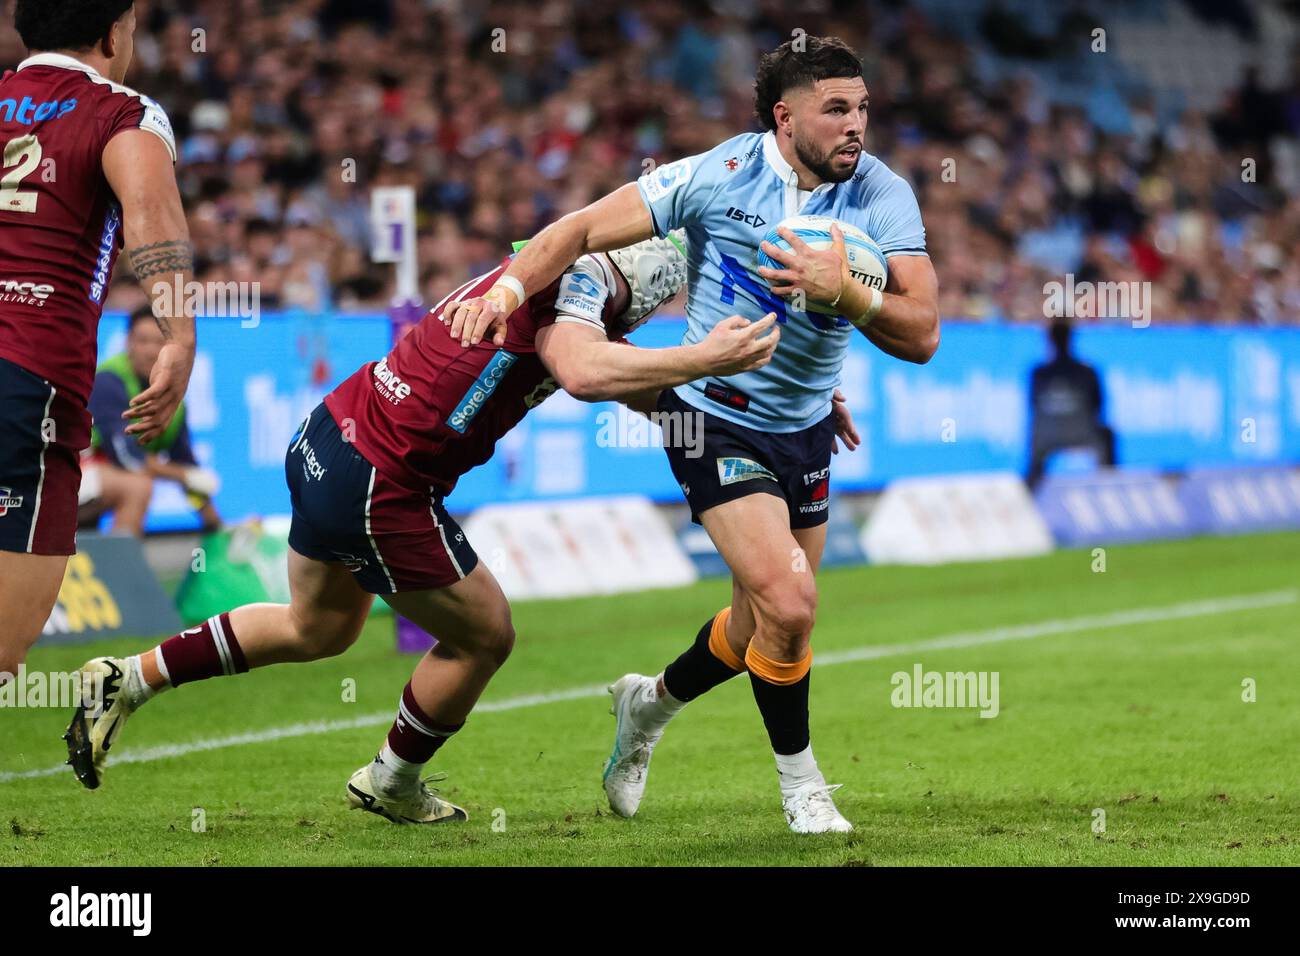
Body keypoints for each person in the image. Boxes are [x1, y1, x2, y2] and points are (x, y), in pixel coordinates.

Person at [67, 234, 807, 828]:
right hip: (381, 484)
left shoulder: (533, 269)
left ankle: (127, 680)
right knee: (486, 635)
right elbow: (586, 372)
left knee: (315, 629)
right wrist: (711, 357)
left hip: (329, 432)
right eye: (640, 305)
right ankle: (394, 779)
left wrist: (725, 414)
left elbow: (634, 384)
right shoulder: (566, 314)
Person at [445, 35, 940, 833]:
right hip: (710, 413)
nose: (857, 127)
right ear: (785, 118)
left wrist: (843, 291)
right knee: (790, 601)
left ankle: (647, 705)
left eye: (864, 110)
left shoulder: (884, 194)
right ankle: (803, 786)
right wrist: (509, 287)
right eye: (837, 110)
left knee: (760, 625)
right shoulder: (720, 174)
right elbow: (576, 230)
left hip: (805, 427)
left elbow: (922, 335)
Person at [0, 0, 194, 679]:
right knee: (2, 645)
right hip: (28, 380)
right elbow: (149, 219)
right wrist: (178, 334)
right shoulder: (121, 112)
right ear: (114, 34)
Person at [81, 305, 221, 535]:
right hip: (69, 475)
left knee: (139, 483)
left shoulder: (173, 400)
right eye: (142, 341)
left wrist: (217, 526)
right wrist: (184, 476)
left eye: (158, 342)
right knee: (138, 486)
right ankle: (120, 568)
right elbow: (127, 457)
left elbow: (187, 467)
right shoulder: (109, 380)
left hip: (100, 483)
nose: (149, 351)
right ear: (128, 343)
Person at [1026, 321, 1116, 488]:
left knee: (1035, 434)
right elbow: (1098, 406)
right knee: (1107, 434)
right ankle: (1109, 485)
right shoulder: (1087, 372)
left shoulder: (1038, 373)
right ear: (1071, 338)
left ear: (1050, 339)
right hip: (1083, 434)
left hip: (1047, 438)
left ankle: (1031, 487)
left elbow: (1033, 407)